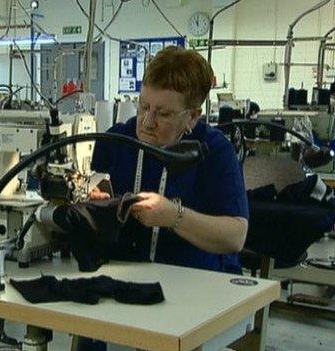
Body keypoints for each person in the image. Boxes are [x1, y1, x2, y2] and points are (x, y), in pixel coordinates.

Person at [73, 45, 249, 351]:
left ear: (193, 116)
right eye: (143, 106)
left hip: (191, 301)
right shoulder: (117, 140)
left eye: (163, 113)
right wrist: (88, 202)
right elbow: (87, 203)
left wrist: (173, 216)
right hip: (119, 293)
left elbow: (235, 236)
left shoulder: (214, 151)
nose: (147, 122)